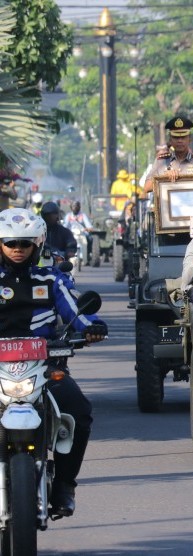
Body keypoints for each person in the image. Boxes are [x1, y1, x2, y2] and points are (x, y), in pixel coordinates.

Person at [0, 208, 108, 516]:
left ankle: (64, 485)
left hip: (45, 366)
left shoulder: (51, 279)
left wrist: (90, 327)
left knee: (80, 412)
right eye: (10, 243)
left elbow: (76, 308)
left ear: (38, 245)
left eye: (25, 243)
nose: (18, 250)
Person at [143, 116, 193, 193]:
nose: (180, 141)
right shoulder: (161, 162)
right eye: (176, 137)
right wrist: (164, 178)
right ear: (170, 140)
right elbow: (146, 188)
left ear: (190, 139)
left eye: (183, 137)